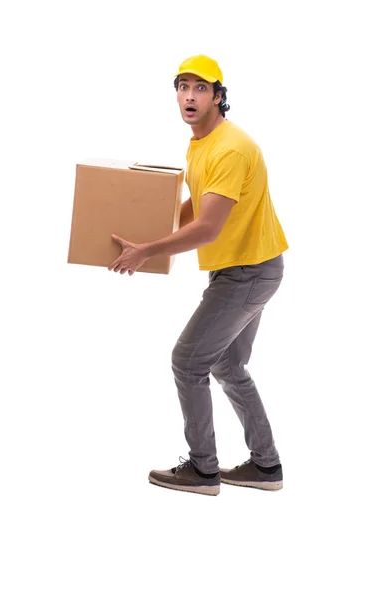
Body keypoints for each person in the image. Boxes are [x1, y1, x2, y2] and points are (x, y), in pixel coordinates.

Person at [108, 55, 289, 496]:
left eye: (200, 88)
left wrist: (147, 252)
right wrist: (143, 237)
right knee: (228, 363)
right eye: (182, 87)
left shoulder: (230, 148)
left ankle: (203, 470)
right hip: (251, 268)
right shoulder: (201, 143)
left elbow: (209, 227)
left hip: (246, 272)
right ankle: (266, 466)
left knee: (187, 361)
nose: (189, 96)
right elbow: (195, 207)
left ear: (219, 96)